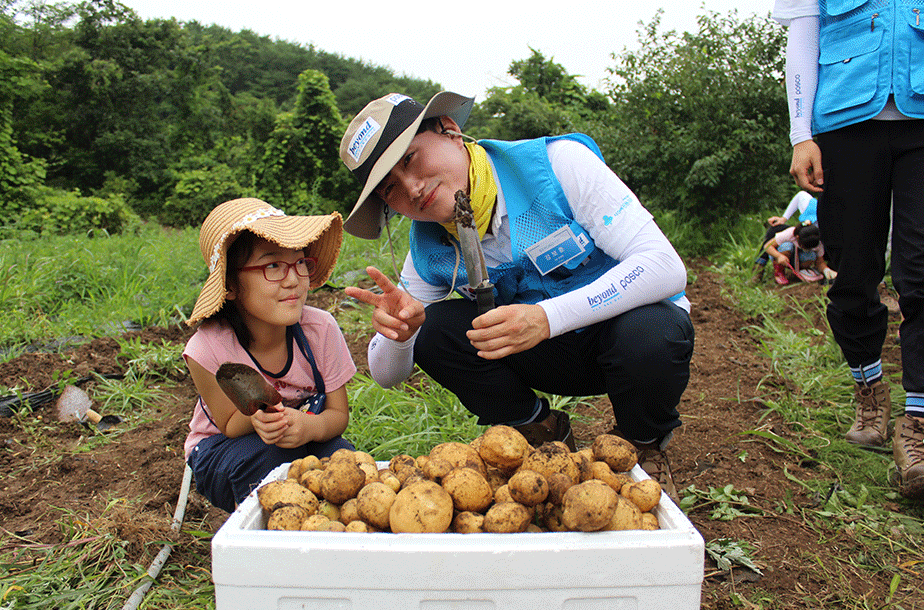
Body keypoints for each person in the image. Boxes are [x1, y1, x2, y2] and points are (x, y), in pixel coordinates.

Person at [339, 92, 694, 501]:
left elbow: (665, 266)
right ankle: (539, 433)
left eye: (409, 159)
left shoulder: (558, 165)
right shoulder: (428, 249)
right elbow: (386, 374)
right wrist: (401, 334)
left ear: (451, 131)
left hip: (622, 342)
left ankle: (641, 446)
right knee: (435, 330)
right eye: (390, 190)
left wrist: (545, 318)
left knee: (653, 330)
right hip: (545, 356)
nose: (413, 188)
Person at [773, 0, 924, 499]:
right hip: (844, 122)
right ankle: (869, 386)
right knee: (854, 272)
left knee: (920, 273)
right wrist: (801, 134)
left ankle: (918, 423)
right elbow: (804, 34)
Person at [182, 198, 357, 512]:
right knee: (269, 459)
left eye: (300, 262)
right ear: (231, 284)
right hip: (225, 447)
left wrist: (309, 427)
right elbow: (232, 425)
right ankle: (265, 536)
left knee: (343, 459)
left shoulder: (320, 330)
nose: (293, 279)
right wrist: (260, 418)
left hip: (302, 430)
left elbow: (338, 416)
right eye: (272, 265)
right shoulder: (207, 349)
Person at [748, 190, 818, 284]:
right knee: (775, 231)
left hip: (814, 244)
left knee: (812, 255)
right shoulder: (811, 207)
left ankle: (800, 270)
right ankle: (759, 269)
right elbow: (800, 195)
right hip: (798, 236)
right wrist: (784, 218)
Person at [762, 220, 836, 285]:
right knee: (787, 246)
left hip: (799, 257)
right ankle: (779, 272)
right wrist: (779, 256)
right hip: (784, 255)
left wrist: (827, 270)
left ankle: (800, 271)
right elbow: (767, 246)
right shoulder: (789, 233)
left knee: (811, 255)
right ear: (797, 237)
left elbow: (820, 262)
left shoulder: (817, 242)